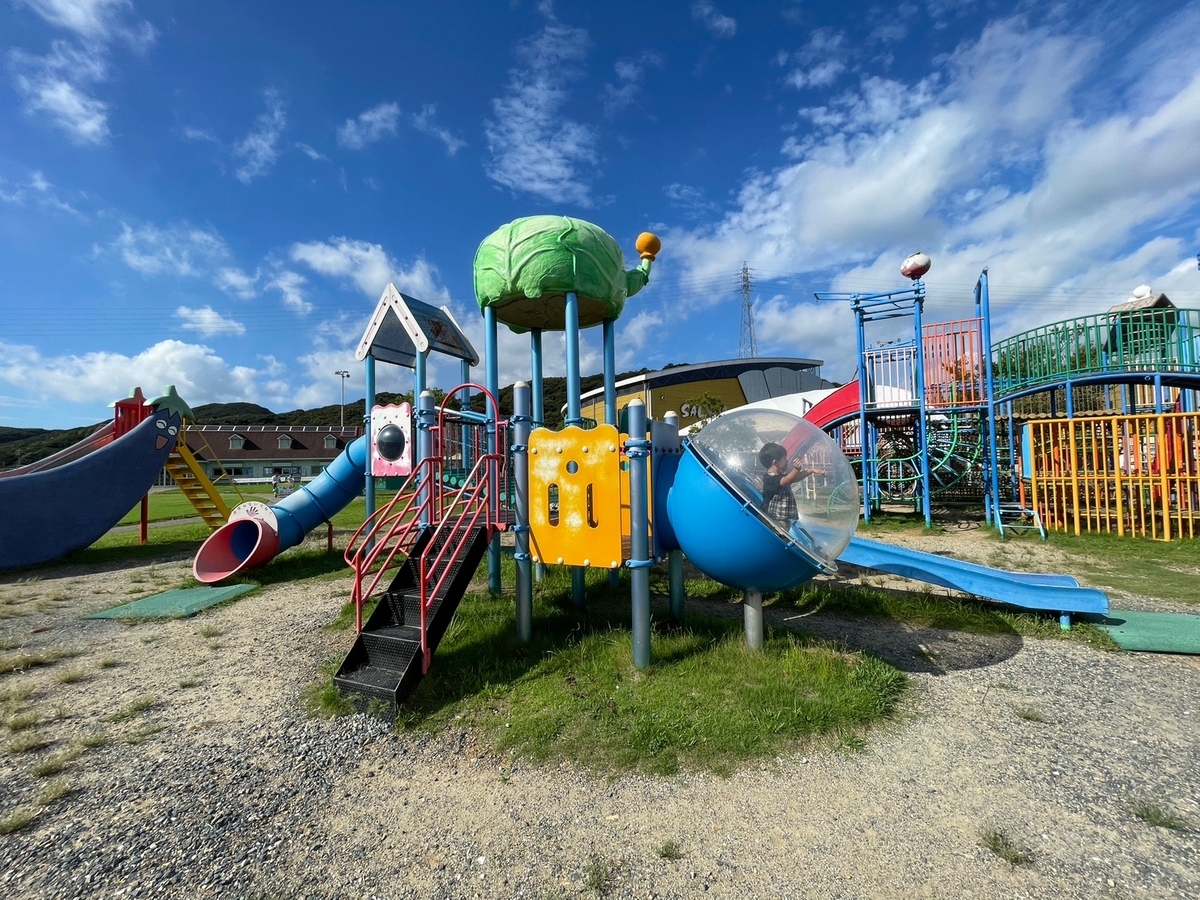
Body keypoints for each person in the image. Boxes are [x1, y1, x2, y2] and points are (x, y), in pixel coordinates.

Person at [758, 442, 814, 523]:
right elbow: (788, 480)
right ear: (775, 462)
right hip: (773, 519)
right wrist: (796, 469)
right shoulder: (770, 479)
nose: (787, 461)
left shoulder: (780, 477)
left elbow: (795, 478)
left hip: (781, 519)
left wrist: (810, 471)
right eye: (785, 459)